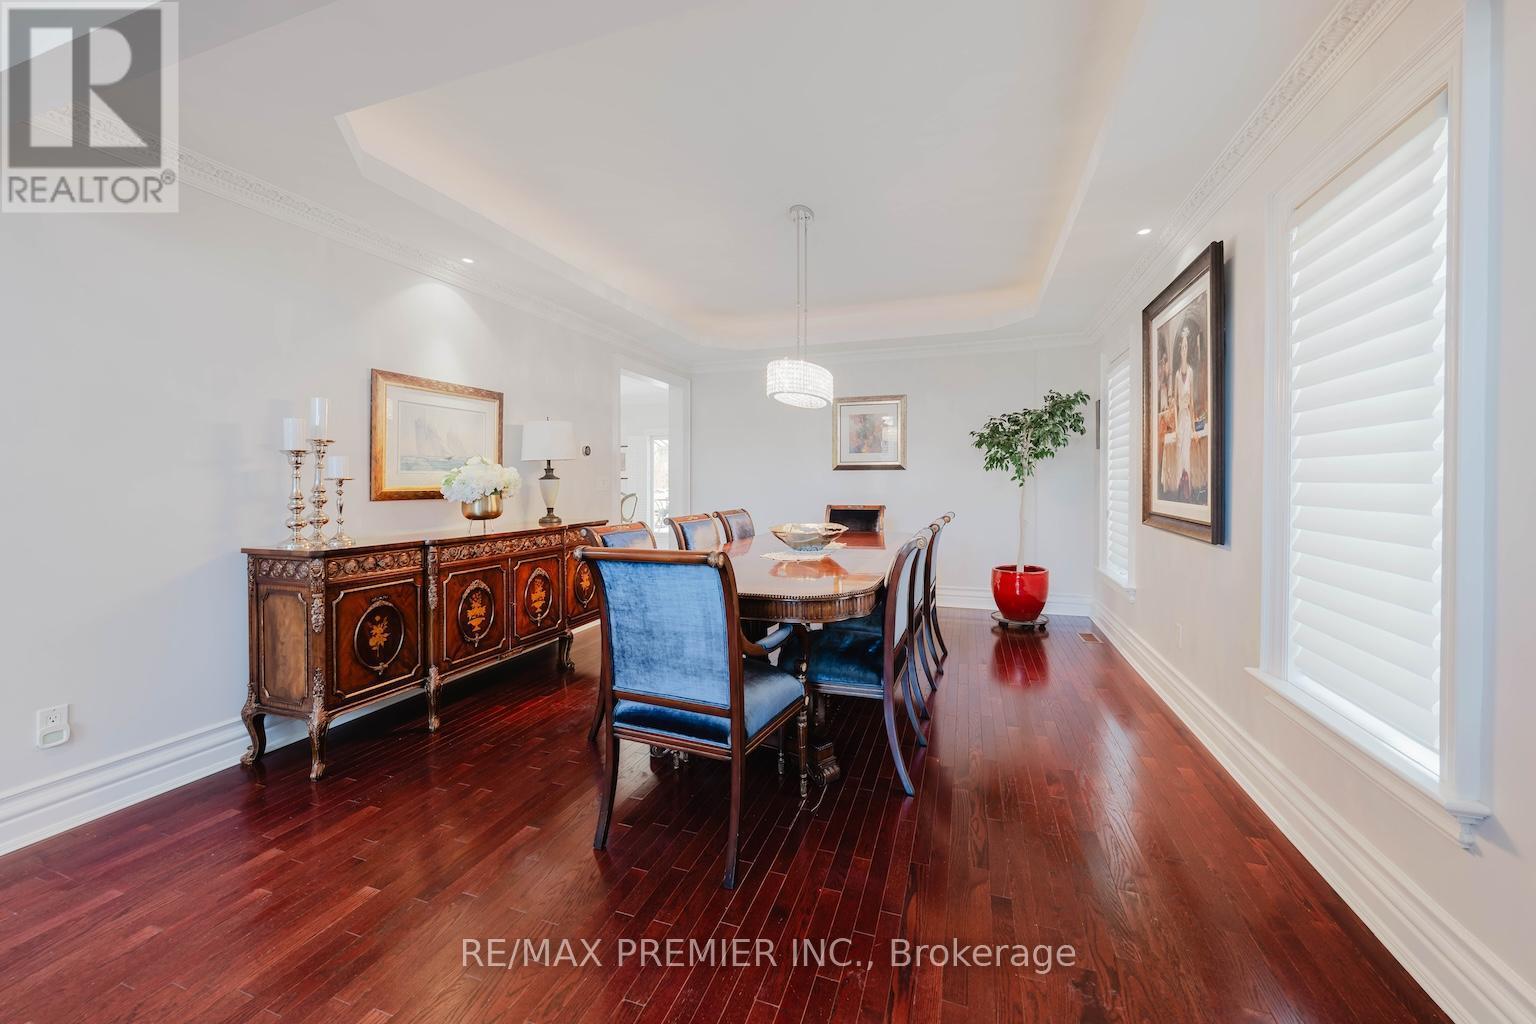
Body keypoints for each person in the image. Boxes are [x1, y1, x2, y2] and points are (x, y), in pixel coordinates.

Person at [1174, 327, 1197, 501]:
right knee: (1179, 449)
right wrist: (1175, 426)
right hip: (1179, 417)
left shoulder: (1190, 373)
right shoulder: (1176, 375)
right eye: (1182, 347)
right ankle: (1180, 485)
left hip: (1188, 418)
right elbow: (1175, 401)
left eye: (1186, 347)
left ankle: (1187, 487)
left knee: (1187, 452)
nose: (1184, 350)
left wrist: (1195, 426)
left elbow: (1192, 402)